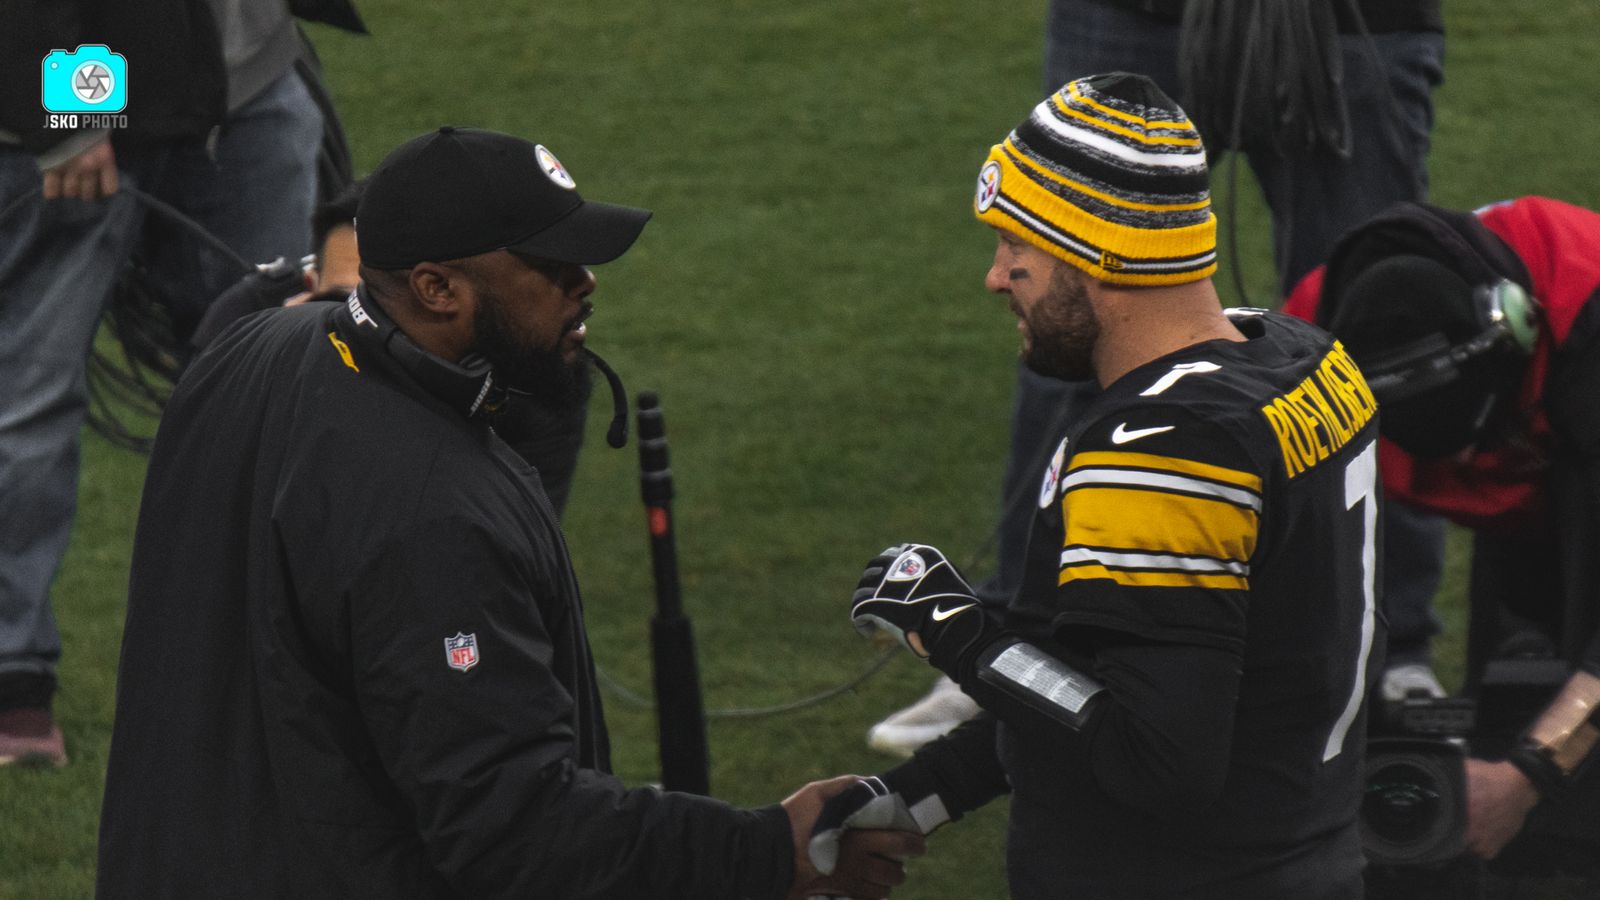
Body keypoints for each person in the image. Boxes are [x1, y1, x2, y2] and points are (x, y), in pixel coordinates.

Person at [96, 126, 921, 899]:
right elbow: (510, 827)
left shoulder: (250, 350)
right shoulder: (433, 509)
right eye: (551, 265)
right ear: (436, 288)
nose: (585, 283)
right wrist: (768, 846)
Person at [813, 74, 1383, 898]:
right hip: (1305, 855)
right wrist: (914, 799)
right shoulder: (1301, 359)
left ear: (1097, 250)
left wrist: (959, 636)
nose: (996, 275)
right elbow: (1093, 677)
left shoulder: (1162, 449)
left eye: (1017, 246)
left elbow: (1154, 758)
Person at [868, 0, 1449, 756]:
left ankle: (1393, 652)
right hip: (1138, 13)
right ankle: (1016, 651)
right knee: (1065, 326)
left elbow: (1165, 772)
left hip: (1347, 15)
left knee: (1377, 327)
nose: (987, 276)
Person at [0, 0, 330, 767]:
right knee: (30, 391)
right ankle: (12, 679)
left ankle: (279, 652)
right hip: (88, 99)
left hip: (247, 82)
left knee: (277, 380)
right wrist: (71, 114)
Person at [1284, 196, 1600, 890]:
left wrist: (1529, 775)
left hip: (1582, 430)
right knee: (1510, 689)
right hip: (1535, 460)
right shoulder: (1299, 363)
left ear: (1518, 327)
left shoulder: (1588, 310)